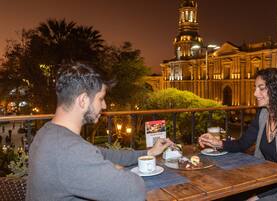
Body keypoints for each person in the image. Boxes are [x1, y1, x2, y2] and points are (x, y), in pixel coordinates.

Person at [26, 63, 173, 201]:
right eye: (101, 98)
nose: (104, 105)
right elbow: (134, 191)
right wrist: (116, 170)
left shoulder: (49, 133)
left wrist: (149, 153)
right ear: (83, 100)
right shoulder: (68, 150)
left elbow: (106, 155)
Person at [199, 68, 277, 201]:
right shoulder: (263, 115)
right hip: (266, 182)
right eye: (255, 88)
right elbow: (242, 144)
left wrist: (257, 196)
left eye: (261, 88)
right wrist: (217, 143)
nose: (255, 93)